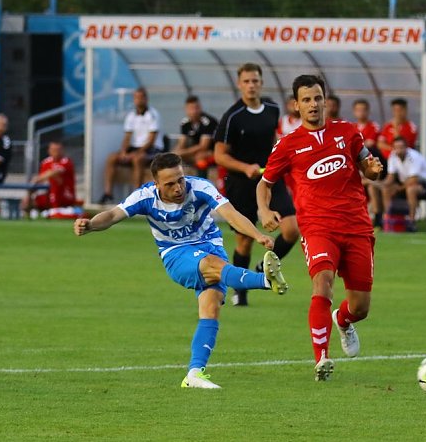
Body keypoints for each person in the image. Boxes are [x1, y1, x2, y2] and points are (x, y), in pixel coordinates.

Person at [74, 152, 289, 389]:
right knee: (212, 265)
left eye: (181, 180)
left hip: (211, 245)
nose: (178, 187)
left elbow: (232, 214)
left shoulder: (200, 187)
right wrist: (91, 224)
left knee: (211, 306)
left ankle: (194, 374)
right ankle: (266, 280)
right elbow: (114, 214)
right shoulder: (145, 196)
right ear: (156, 184)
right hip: (176, 254)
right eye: (170, 184)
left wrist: (258, 236)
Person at [257, 75, 383, 381]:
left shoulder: (348, 132)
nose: (313, 105)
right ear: (296, 105)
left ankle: (343, 319)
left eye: (317, 98)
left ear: (325, 101)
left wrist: (373, 169)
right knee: (322, 281)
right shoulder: (287, 145)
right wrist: (264, 208)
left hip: (356, 226)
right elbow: (265, 183)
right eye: (306, 100)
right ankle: (322, 358)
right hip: (317, 227)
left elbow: (368, 166)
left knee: (361, 306)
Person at [214, 63, 300, 307]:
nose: (251, 85)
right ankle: (240, 290)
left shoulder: (272, 108)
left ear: (261, 83)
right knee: (245, 241)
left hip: (271, 179)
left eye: (255, 81)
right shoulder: (232, 117)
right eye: (247, 81)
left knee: (291, 229)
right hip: (241, 184)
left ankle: (264, 267)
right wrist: (245, 167)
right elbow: (220, 155)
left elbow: (272, 139)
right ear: (239, 84)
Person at [99, 87, 165, 203]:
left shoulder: (153, 114)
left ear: (146, 99)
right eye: (136, 98)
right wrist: (124, 151)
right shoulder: (131, 116)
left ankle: (137, 196)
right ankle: (108, 193)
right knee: (112, 158)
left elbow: (151, 139)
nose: (139, 100)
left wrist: (136, 153)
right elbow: (127, 137)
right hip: (134, 148)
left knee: (137, 159)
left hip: (152, 149)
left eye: (141, 97)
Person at [380, 137, 426, 231]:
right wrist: (378, 183)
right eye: (396, 147)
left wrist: (398, 188)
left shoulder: (414, 157)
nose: (399, 150)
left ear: (406, 147)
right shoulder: (393, 156)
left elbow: (413, 179)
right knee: (386, 190)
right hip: (407, 185)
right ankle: (388, 218)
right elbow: (390, 178)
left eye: (401, 147)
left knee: (411, 189)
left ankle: (411, 222)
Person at [24, 141, 78, 215]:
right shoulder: (46, 162)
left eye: (58, 150)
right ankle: (28, 213)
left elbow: (54, 172)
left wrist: (40, 178)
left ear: (62, 150)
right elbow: (40, 179)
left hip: (65, 195)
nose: (56, 152)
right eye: (53, 150)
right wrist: (29, 193)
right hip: (49, 194)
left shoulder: (67, 161)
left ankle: (50, 212)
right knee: (29, 200)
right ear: (49, 150)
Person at [173, 95, 217, 178]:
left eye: (196, 108)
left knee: (200, 157)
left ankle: (203, 184)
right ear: (186, 109)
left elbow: (203, 146)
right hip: (196, 152)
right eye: (191, 108)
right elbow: (181, 142)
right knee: (174, 157)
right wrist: (175, 152)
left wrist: (183, 152)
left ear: (200, 108)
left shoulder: (207, 122)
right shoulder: (185, 123)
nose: (194, 111)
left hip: (213, 152)